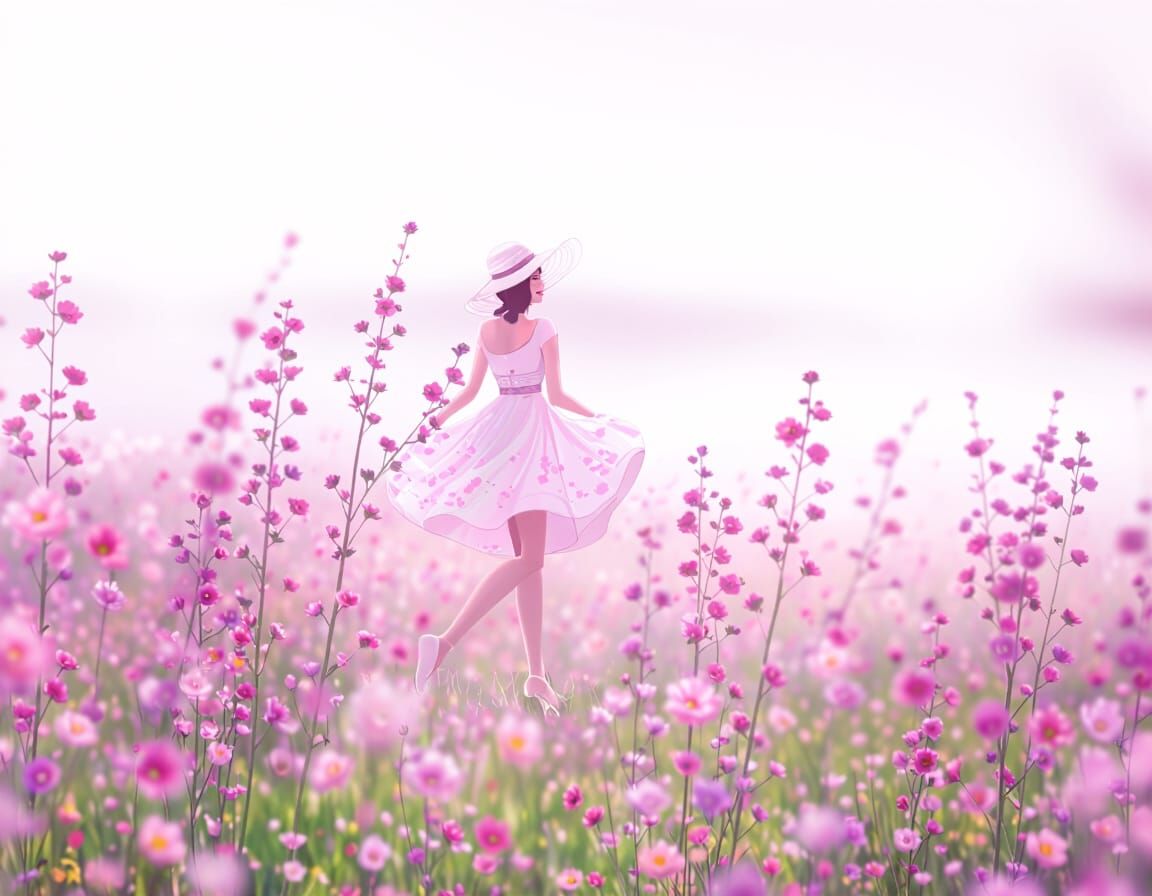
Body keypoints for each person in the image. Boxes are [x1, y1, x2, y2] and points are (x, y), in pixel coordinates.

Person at [384, 238, 645, 716]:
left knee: (531, 561)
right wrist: (600, 422)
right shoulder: (544, 328)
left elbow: (468, 393)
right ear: (524, 284)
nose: (544, 282)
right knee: (531, 559)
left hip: (498, 439)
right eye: (539, 275)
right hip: (530, 442)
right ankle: (444, 643)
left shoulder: (487, 330)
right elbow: (560, 395)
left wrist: (436, 422)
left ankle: (536, 676)